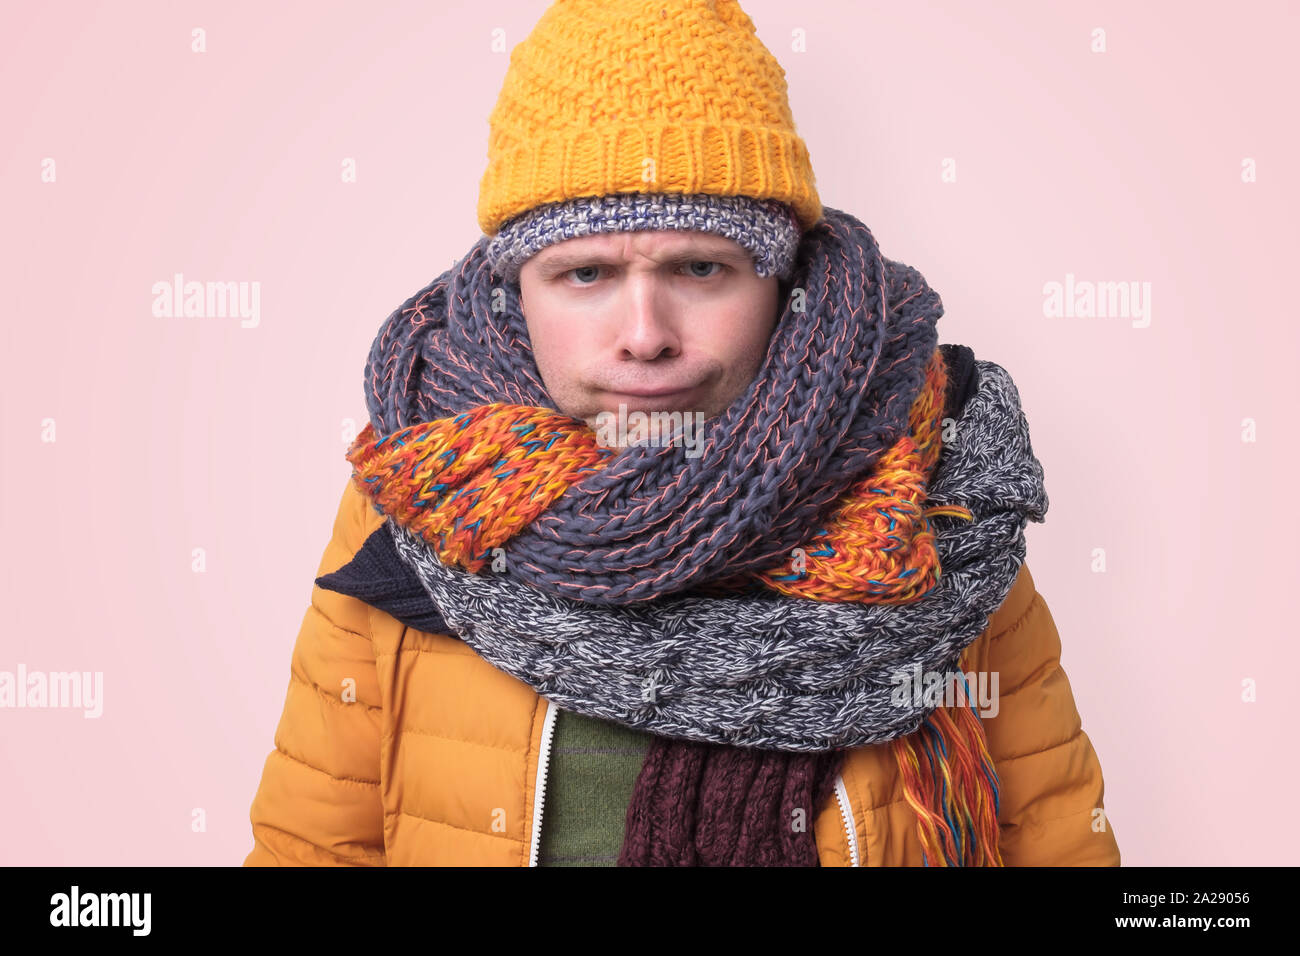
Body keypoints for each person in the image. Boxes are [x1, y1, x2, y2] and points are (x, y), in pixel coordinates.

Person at [242, 0, 1120, 867]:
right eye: (584, 274)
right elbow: (312, 851)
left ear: (784, 283)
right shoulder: (425, 493)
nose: (645, 333)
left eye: (701, 268)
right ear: (518, 292)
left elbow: (1054, 841)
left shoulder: (930, 492)